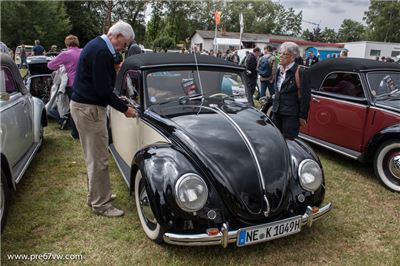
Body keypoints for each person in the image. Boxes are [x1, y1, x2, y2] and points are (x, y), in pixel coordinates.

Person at [70, 20, 138, 217]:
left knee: (93, 156)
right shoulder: (101, 52)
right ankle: (102, 204)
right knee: (99, 158)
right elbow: (103, 90)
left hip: (85, 106)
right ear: (116, 36)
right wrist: (124, 108)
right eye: (124, 44)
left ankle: (97, 196)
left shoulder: (97, 46)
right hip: (89, 109)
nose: (124, 48)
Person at [271, 42, 311, 140]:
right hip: (276, 112)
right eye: (279, 53)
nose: (280, 56)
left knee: (288, 141)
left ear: (293, 57)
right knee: (275, 138)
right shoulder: (278, 70)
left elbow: (305, 96)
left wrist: (302, 116)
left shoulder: (300, 72)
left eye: (284, 54)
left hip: (290, 115)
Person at [47, 35, 82, 138]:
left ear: (67, 44)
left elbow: (50, 65)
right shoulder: (83, 51)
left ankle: (75, 133)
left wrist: (61, 65)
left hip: (72, 84)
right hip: (84, 83)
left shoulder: (65, 54)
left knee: (73, 108)